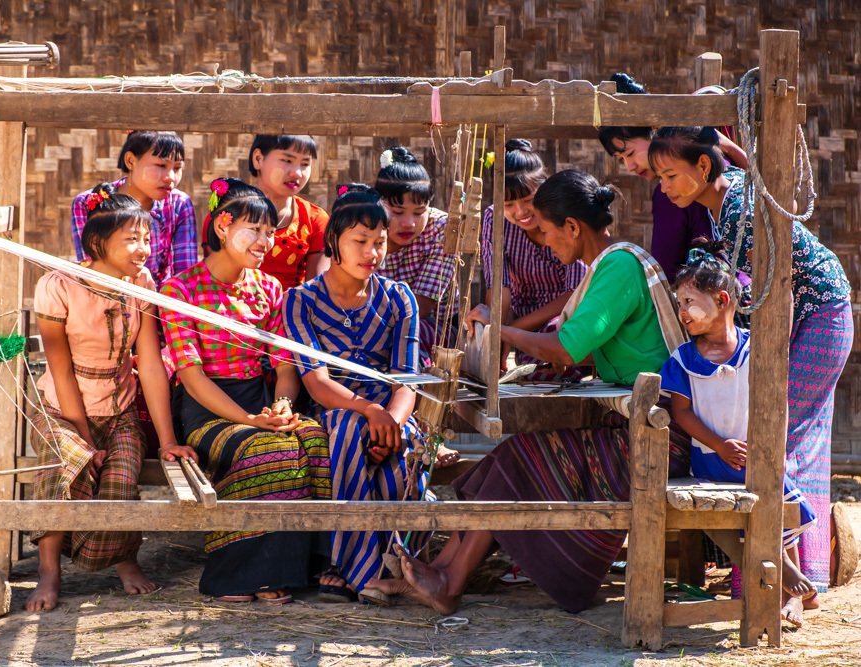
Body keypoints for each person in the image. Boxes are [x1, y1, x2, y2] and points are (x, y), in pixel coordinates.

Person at [365, 169, 690, 614]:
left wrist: (503, 332)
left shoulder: (618, 267)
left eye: (547, 229)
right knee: (510, 456)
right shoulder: (611, 265)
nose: (543, 240)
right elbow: (616, 350)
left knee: (521, 460)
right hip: (629, 424)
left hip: (657, 437)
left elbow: (567, 349)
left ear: (572, 227)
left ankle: (449, 582)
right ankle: (437, 570)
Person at [649, 126, 853, 597]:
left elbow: (775, 291)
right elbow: (741, 164)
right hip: (811, 315)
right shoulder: (729, 194)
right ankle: (787, 579)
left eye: (670, 175)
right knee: (786, 444)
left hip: (818, 317)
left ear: (703, 168)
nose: (664, 186)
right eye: (659, 177)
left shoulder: (739, 207)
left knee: (777, 441)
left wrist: (764, 361)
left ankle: (775, 589)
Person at [160, 178, 331, 604]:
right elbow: (192, 377)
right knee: (265, 447)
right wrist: (252, 420)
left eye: (270, 233)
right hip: (206, 411)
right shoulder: (180, 291)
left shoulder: (270, 290)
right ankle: (237, 575)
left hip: (261, 402)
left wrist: (282, 407)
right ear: (222, 226)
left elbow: (283, 366)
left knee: (310, 437)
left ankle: (306, 569)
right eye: (254, 230)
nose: (265, 241)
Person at [26, 185, 191, 612]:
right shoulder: (57, 285)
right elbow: (59, 370)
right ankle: (48, 570)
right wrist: (85, 438)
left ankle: (124, 560)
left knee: (121, 480)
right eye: (132, 240)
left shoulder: (143, 284)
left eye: (147, 239)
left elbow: (151, 364)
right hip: (61, 408)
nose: (144, 249)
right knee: (67, 465)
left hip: (119, 408)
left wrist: (168, 440)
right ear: (99, 242)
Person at [284, 186, 428, 604]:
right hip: (335, 405)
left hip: (393, 407)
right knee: (348, 430)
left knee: (403, 455)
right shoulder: (301, 300)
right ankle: (356, 568)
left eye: (379, 242)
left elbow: (407, 377)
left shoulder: (400, 298)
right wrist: (370, 412)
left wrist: (393, 423)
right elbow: (315, 381)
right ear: (334, 244)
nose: (372, 252)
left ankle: (399, 565)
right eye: (360, 242)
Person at [660, 246, 817, 626]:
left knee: (781, 509)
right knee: (743, 517)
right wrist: (719, 445)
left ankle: (792, 596)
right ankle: (788, 578)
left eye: (688, 302)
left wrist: (765, 448)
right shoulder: (681, 359)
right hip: (712, 461)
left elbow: (773, 401)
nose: (682, 312)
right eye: (678, 303)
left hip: (756, 458)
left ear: (722, 300)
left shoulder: (757, 349)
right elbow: (680, 413)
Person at [597, 73, 747, 283]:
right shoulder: (722, 166)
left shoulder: (673, 191)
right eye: (620, 159)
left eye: (629, 153)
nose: (629, 166)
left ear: (654, 131)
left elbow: (665, 271)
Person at [475, 139, 586, 371]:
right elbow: (499, 287)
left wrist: (510, 330)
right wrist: (495, 334)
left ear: (543, 189)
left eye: (528, 200)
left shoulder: (565, 216)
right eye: (508, 205)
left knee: (556, 338)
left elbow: (574, 294)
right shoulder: (493, 219)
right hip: (525, 328)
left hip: (569, 320)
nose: (520, 212)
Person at [70, 130, 196, 287]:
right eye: (161, 165)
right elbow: (92, 268)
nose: (171, 176)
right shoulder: (89, 202)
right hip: (106, 298)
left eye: (177, 168)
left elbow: (185, 277)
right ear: (130, 161)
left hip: (162, 304)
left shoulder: (179, 203)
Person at [374, 146, 458, 365]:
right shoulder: (368, 224)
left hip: (432, 327)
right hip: (371, 322)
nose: (408, 223)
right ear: (379, 204)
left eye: (419, 213)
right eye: (398, 212)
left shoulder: (442, 228)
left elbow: (423, 306)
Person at [231, 134, 330, 290]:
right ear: (258, 159)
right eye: (287, 160)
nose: (297, 172)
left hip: (294, 310)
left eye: (305, 163)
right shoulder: (228, 213)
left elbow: (316, 291)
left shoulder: (316, 220)